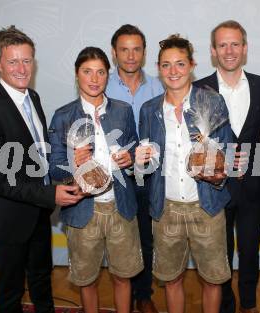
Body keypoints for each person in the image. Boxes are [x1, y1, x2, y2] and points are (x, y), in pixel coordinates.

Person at [0, 25, 83, 313]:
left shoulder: (32, 98)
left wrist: (69, 165)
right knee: (11, 291)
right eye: (12, 61)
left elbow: (38, 154)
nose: (22, 69)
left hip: (37, 215)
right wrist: (50, 195)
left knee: (42, 280)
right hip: (10, 220)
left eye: (27, 60)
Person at [136, 34, 233, 313]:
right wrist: (141, 162)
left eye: (180, 64)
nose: (173, 71)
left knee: (213, 280)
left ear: (192, 65)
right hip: (166, 208)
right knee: (171, 278)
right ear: (158, 68)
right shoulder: (149, 110)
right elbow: (147, 161)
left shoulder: (212, 102)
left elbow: (226, 151)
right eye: (166, 65)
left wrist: (218, 174)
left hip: (207, 205)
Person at [48, 47, 143, 313]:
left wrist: (131, 157)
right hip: (82, 209)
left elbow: (135, 149)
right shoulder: (63, 115)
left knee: (123, 275)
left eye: (101, 72)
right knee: (87, 280)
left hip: (120, 206)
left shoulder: (123, 110)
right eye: (87, 71)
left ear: (107, 75)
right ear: (76, 75)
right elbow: (53, 170)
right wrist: (72, 161)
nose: (94, 78)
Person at [194, 20, 260, 313]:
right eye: (222, 44)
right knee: (218, 254)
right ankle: (225, 305)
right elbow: (192, 140)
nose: (229, 50)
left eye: (235, 44)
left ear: (245, 48)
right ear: (213, 51)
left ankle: (249, 304)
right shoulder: (198, 89)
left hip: (252, 187)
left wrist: (257, 156)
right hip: (214, 187)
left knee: (250, 251)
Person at [105, 24, 164, 313]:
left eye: (136, 49)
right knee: (120, 238)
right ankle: (123, 293)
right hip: (114, 177)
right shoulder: (101, 85)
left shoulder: (159, 86)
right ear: (114, 52)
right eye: (124, 49)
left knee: (146, 236)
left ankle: (143, 294)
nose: (130, 56)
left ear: (144, 52)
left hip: (149, 175)